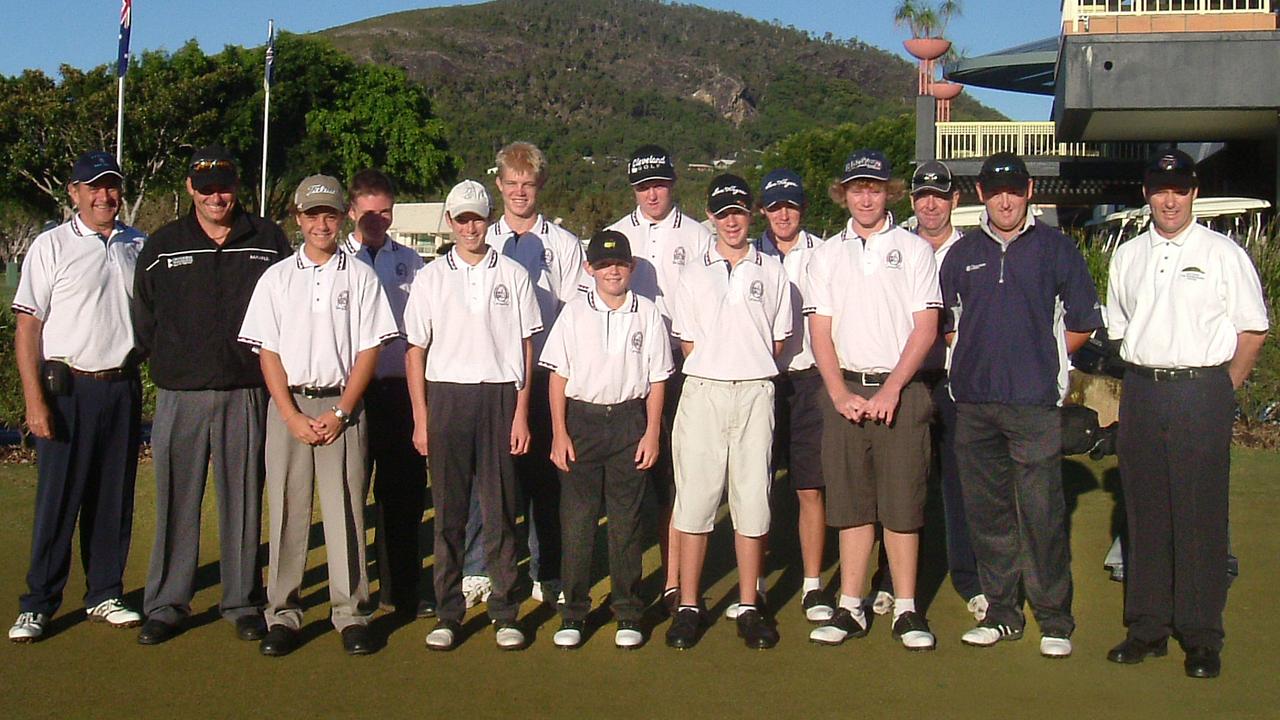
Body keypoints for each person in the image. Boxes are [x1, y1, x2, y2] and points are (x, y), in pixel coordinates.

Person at [1104, 149, 1268, 679]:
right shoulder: (1127, 255)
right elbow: (1121, 327)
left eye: (1178, 189)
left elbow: (1252, 329)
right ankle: (1147, 627)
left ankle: (1201, 636)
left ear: (1194, 192)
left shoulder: (1223, 253)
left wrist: (1223, 388)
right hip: (1144, 390)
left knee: (1200, 515)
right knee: (1145, 512)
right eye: (1158, 189)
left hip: (1202, 391)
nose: (1168, 199)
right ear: (1147, 194)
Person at [939, 152, 1103, 659]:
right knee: (987, 516)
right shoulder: (960, 253)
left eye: (1012, 189)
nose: (1004, 199)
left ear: (1029, 190)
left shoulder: (1057, 249)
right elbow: (946, 325)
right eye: (994, 189)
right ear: (981, 194)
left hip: (1033, 404)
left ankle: (1054, 618)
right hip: (974, 405)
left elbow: (1080, 323)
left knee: (1041, 512)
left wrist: (1042, 359)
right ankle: (1003, 614)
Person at [131, 146, 291, 646]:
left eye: (223, 185)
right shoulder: (163, 244)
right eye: (205, 187)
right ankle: (166, 603)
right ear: (189, 190)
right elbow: (145, 319)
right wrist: (173, 363)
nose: (215, 196)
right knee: (176, 501)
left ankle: (241, 600)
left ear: (237, 185)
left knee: (242, 499)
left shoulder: (267, 240)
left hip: (246, 393)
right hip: (181, 395)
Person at [238, 175, 398, 657]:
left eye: (329, 214)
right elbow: (268, 352)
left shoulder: (360, 276)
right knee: (287, 510)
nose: (321, 224)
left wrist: (343, 409)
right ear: (298, 218)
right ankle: (282, 613)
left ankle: (350, 612)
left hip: (342, 408)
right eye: (312, 215)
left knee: (345, 508)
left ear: (342, 216)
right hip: (290, 407)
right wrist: (288, 414)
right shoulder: (278, 277)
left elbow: (369, 348)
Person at [803, 150, 940, 652]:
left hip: (901, 391)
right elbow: (820, 332)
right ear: (844, 192)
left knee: (903, 505)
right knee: (852, 505)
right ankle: (851, 606)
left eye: (875, 188)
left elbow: (926, 328)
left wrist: (891, 389)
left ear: (889, 192)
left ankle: (906, 609)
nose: (866, 196)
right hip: (844, 395)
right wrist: (839, 393)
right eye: (857, 187)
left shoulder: (914, 249)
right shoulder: (826, 254)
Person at [9, 151, 146, 643]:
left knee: (113, 499)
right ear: (74, 192)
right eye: (93, 187)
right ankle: (38, 603)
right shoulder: (51, 245)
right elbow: (28, 327)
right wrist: (34, 401)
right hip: (66, 390)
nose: (104, 196)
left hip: (121, 388)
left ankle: (105, 592)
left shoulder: (138, 244)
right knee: (57, 501)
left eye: (110, 186)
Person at [404, 180, 542, 652]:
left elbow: (526, 347)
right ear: (450, 222)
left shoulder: (514, 274)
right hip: (447, 398)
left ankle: (505, 610)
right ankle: (448, 611)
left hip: (501, 396)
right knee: (450, 512)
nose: (469, 227)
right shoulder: (431, 277)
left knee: (502, 509)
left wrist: (521, 413)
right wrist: (421, 419)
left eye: (477, 218)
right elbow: (415, 352)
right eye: (461, 219)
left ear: (489, 219)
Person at [664, 174, 790, 650]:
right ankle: (691, 605)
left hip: (756, 390)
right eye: (723, 212)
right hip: (704, 391)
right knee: (695, 500)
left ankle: (750, 605)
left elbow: (777, 341)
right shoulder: (693, 274)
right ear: (711, 215)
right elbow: (689, 343)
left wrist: (744, 365)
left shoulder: (772, 272)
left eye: (739, 210)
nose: (732, 220)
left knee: (752, 500)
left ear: (750, 213)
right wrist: (721, 366)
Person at [542, 230, 673, 650]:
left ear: (631, 267)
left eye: (619, 263)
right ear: (589, 269)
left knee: (626, 522)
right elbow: (557, 377)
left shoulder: (648, 313)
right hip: (581, 423)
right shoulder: (574, 313)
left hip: (629, 422)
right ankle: (574, 612)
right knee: (577, 522)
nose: (612, 270)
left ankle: (628, 611)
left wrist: (652, 432)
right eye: (603, 264)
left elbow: (656, 380)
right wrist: (559, 432)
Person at [606, 145, 712, 612]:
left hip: (681, 365)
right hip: (626, 370)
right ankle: (626, 583)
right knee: (629, 483)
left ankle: (672, 581)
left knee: (675, 478)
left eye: (659, 184)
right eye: (643, 186)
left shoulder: (699, 235)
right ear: (633, 189)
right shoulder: (615, 235)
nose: (652, 193)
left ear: (672, 184)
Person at [485, 141, 584, 603]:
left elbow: (571, 313)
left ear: (540, 185)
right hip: (493, 377)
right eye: (512, 183)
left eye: (528, 183)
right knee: (494, 483)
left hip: (544, 377)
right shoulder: (483, 242)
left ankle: (549, 570)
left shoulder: (563, 245)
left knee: (547, 482)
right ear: (499, 185)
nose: (520, 191)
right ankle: (483, 571)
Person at [340, 169, 432, 618]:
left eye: (385, 212)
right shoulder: (336, 262)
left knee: (403, 497)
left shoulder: (413, 263)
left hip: (399, 393)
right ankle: (353, 593)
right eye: (368, 212)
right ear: (352, 211)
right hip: (352, 396)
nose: (377, 220)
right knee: (350, 496)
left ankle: (401, 590)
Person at [908, 160, 987, 622]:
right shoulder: (895, 247)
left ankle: (969, 577)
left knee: (961, 483)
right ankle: (891, 578)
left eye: (939, 195)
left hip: (958, 382)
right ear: (913, 201)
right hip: (909, 379)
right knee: (902, 484)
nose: (931, 203)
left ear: (955, 201)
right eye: (923, 195)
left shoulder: (973, 250)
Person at [754, 168, 833, 623]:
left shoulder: (823, 254)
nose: (783, 214)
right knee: (758, 486)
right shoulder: (746, 253)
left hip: (808, 381)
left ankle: (811, 585)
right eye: (774, 205)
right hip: (760, 381)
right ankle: (758, 583)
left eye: (790, 205)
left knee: (809, 486)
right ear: (763, 210)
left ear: (801, 208)